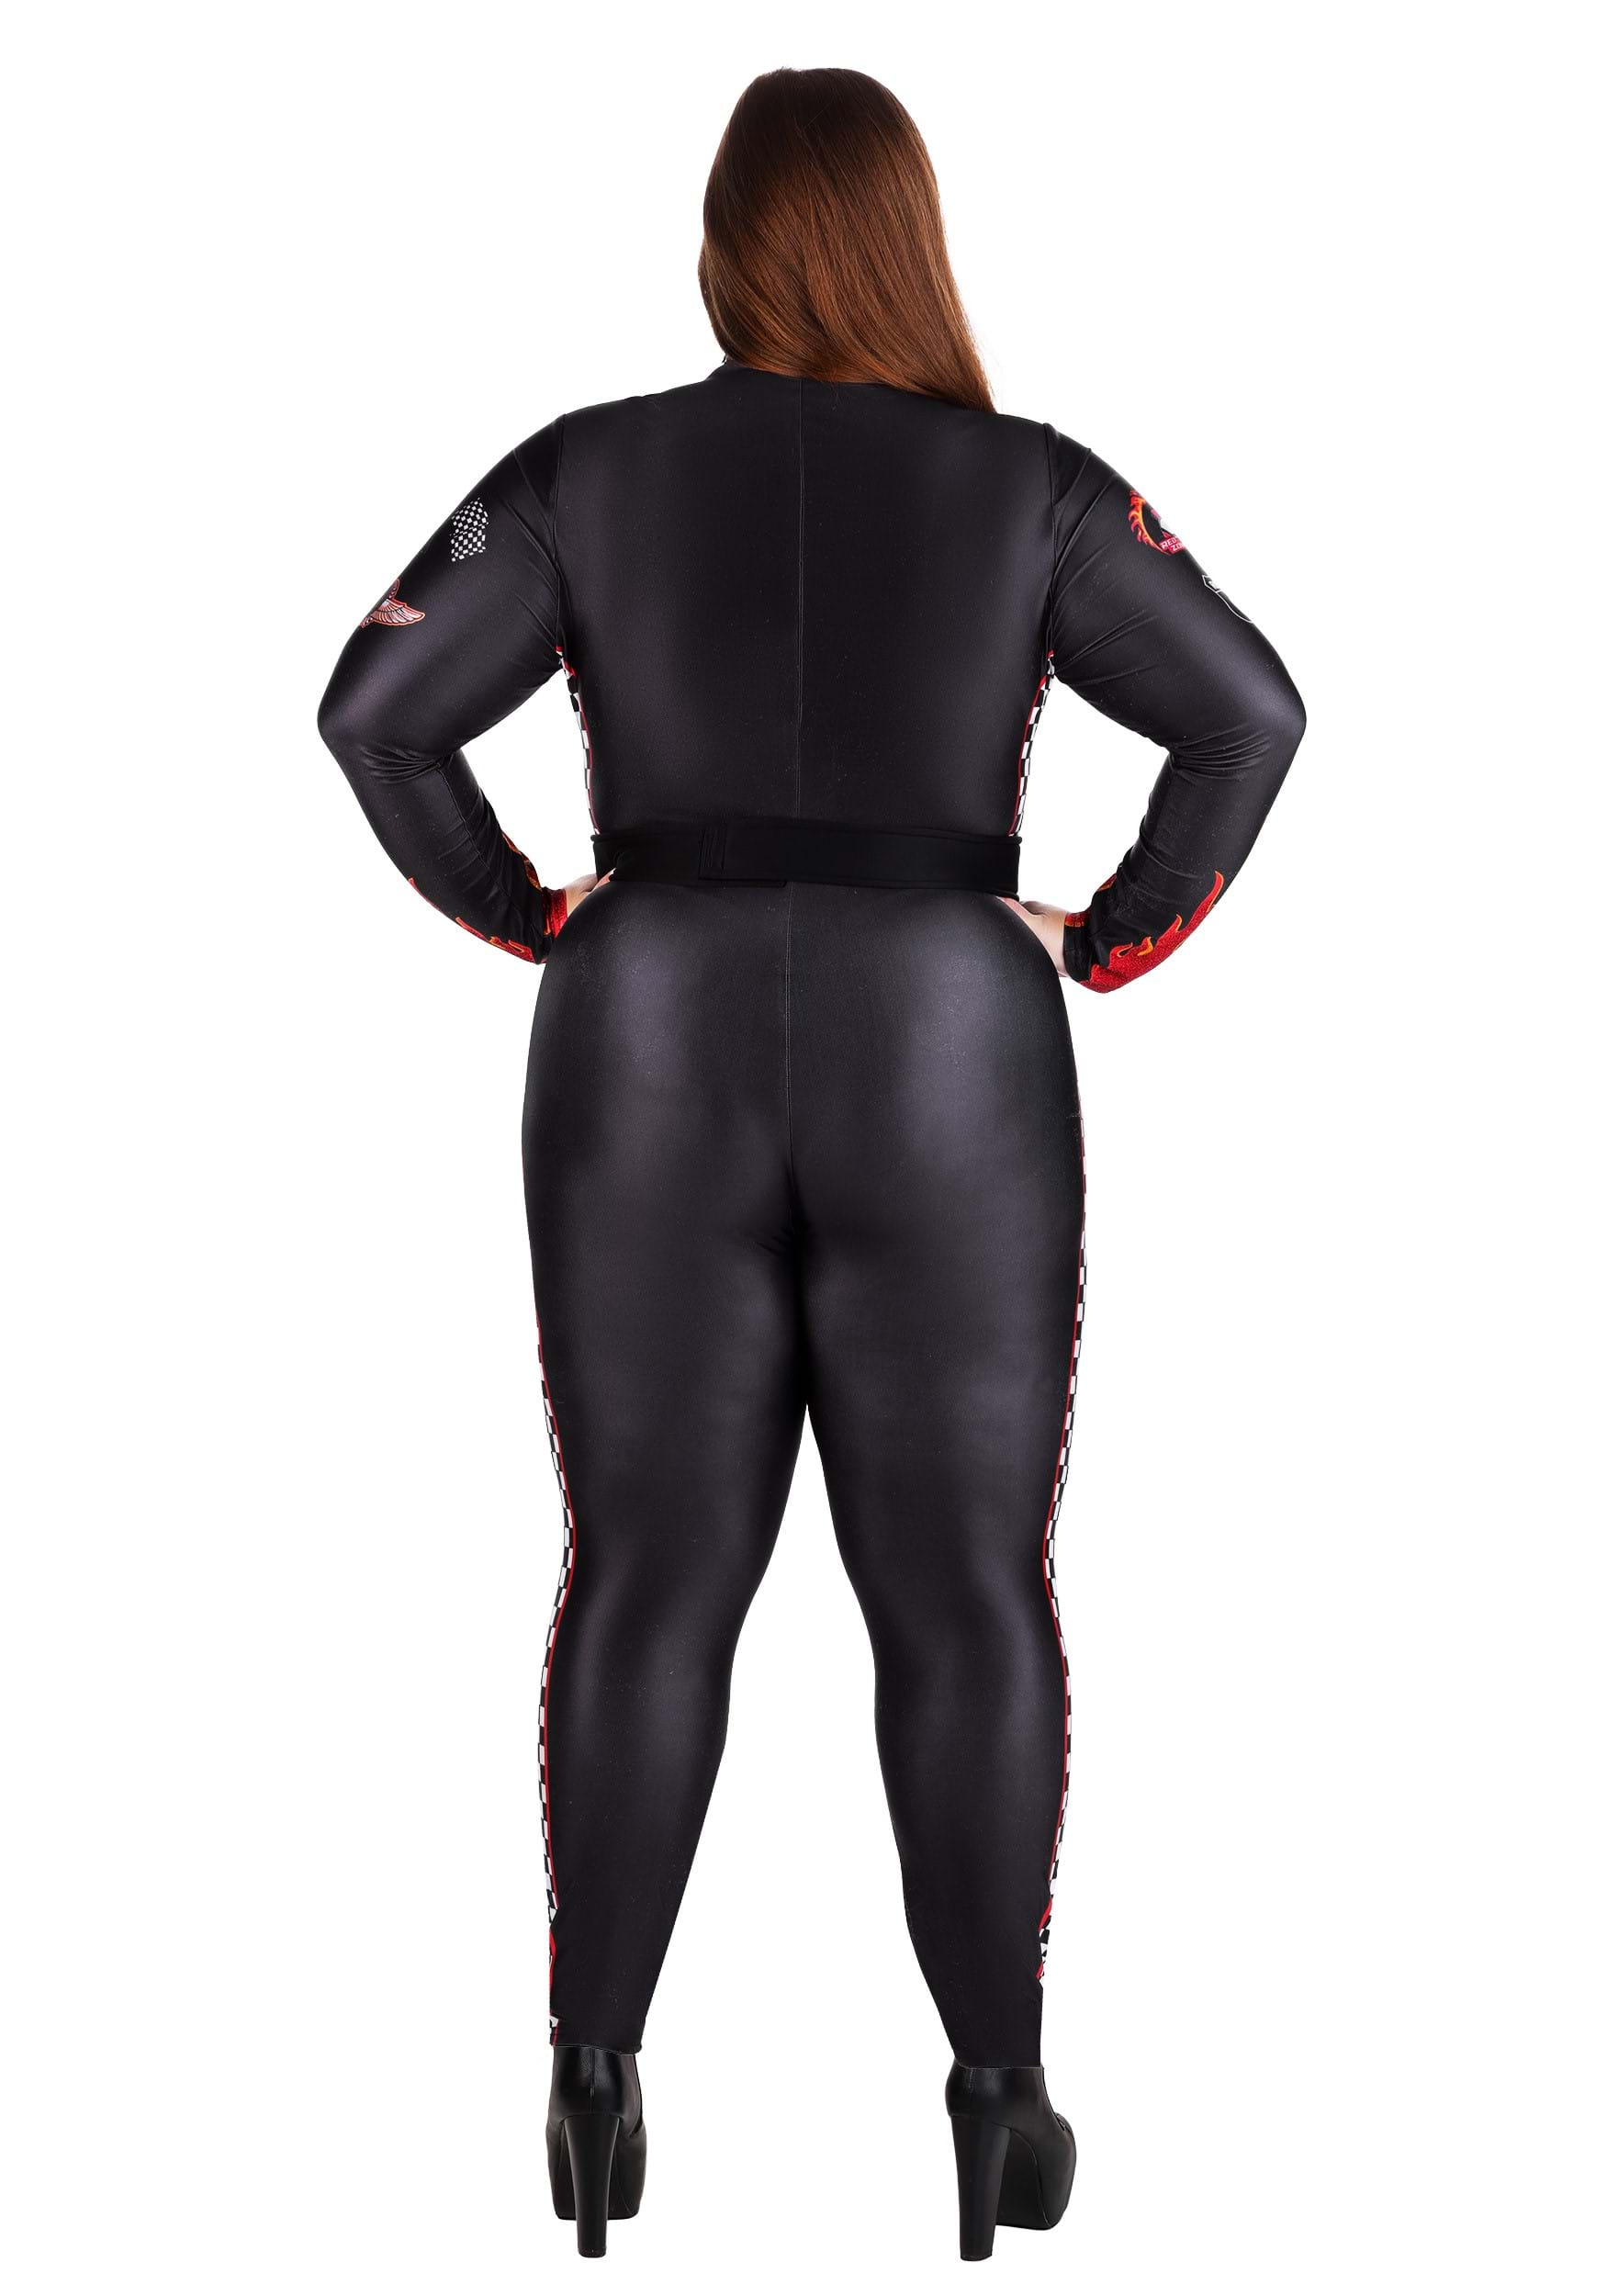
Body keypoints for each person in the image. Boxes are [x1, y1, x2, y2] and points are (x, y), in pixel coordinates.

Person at [317, 65, 1304, 2262]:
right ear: (906, 240)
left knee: (643, 1574)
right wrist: (1105, 939)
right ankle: (998, 2094)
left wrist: (531, 912)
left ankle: (590, 2070)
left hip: (643, 1023)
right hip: (949, 1037)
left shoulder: (584, 470)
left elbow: (372, 713)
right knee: (963, 1592)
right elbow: (1248, 710)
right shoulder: (1029, 491)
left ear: (724, 245)